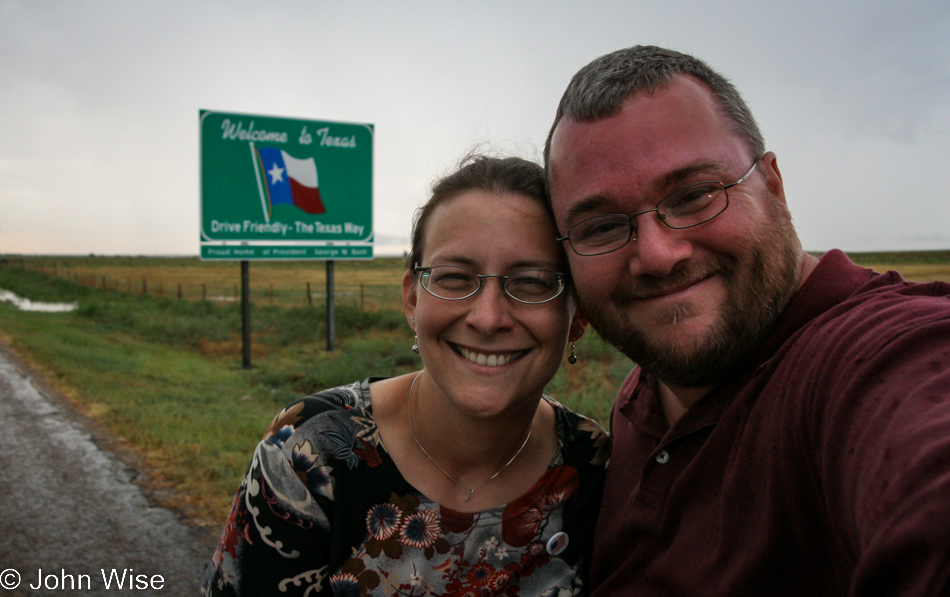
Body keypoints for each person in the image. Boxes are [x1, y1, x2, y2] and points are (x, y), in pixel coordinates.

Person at [543, 45, 950, 595]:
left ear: (774, 185)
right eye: (601, 228)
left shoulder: (875, 356)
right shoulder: (645, 391)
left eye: (695, 194)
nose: (659, 255)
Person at [203, 154, 610, 596]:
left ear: (578, 316)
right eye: (454, 277)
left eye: (532, 282)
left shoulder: (597, 471)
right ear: (412, 301)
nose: (489, 318)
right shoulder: (309, 450)